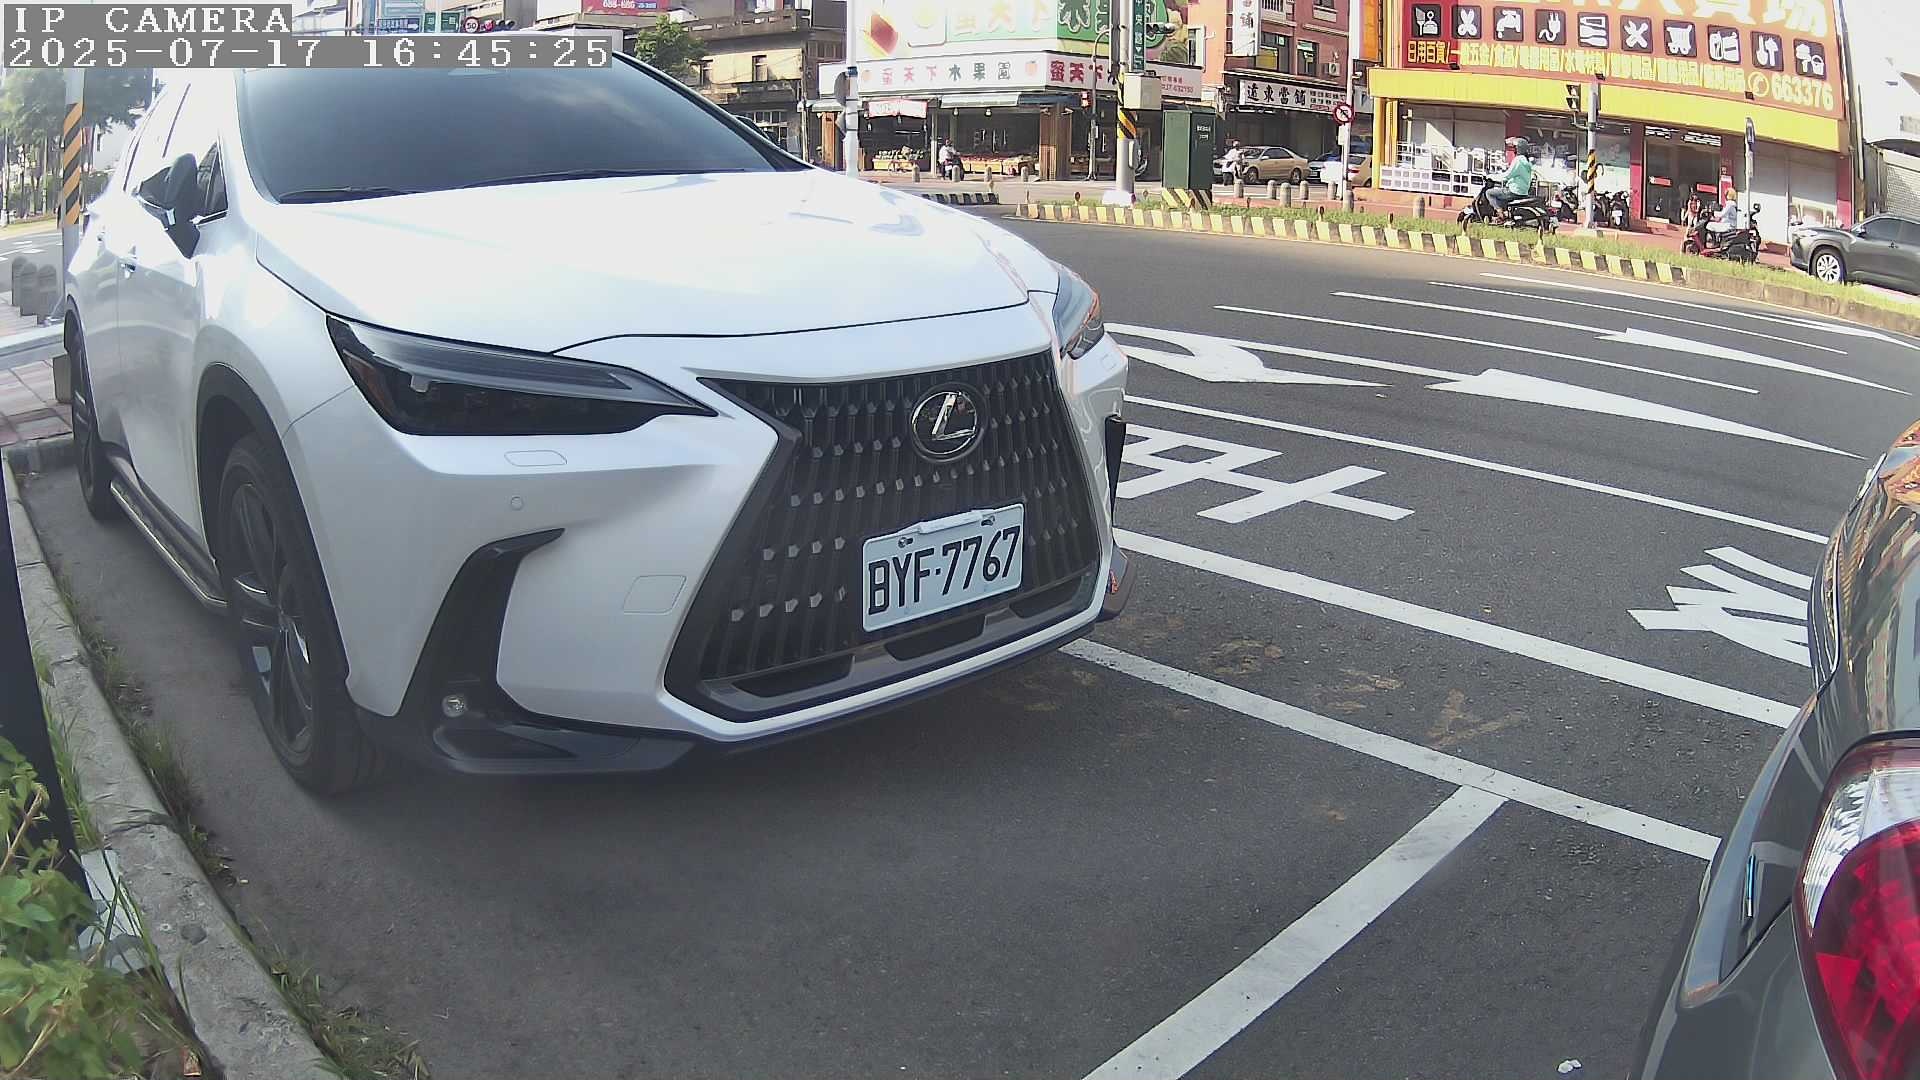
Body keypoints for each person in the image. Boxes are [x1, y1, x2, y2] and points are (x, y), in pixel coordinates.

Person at [1489, 136, 1533, 217]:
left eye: (1514, 148)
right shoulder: (1526, 161)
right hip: (1523, 192)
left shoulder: (1518, 160)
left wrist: (1491, 177)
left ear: (1518, 148)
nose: (1514, 150)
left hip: (1514, 191)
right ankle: (1505, 213)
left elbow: (1507, 175)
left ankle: (1500, 214)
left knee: (1489, 193)